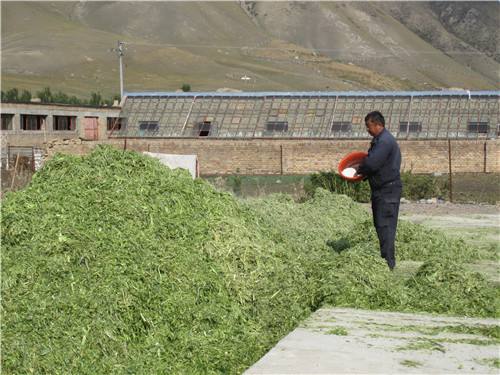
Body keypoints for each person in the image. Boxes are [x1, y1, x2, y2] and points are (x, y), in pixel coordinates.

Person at [356, 111, 402, 270]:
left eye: (368, 127)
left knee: (386, 226)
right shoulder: (381, 140)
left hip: (387, 191)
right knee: (381, 225)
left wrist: (359, 169)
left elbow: (372, 163)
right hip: (383, 190)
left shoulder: (384, 142)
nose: (367, 130)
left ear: (377, 124)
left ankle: (388, 264)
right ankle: (386, 261)